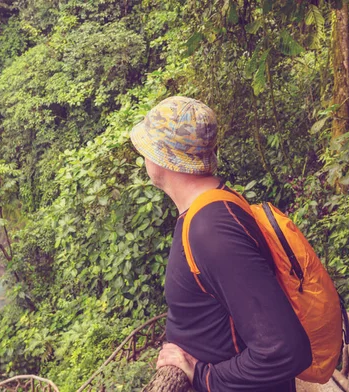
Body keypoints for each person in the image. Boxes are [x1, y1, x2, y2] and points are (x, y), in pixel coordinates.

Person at [130, 96, 313, 391]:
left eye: (147, 149)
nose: (144, 158)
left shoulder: (211, 229)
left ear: (164, 157)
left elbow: (285, 350)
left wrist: (203, 376)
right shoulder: (214, 205)